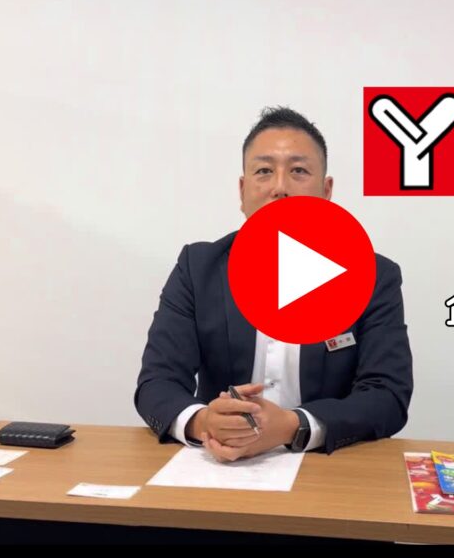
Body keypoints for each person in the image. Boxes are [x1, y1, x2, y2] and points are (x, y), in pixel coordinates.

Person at [135, 106, 413, 461]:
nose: (280, 188)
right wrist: (205, 422)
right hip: (219, 464)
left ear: (326, 191)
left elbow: (387, 396)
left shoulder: (374, 276)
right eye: (264, 171)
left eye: (298, 171)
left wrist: (292, 426)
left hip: (326, 468)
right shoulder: (198, 267)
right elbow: (157, 382)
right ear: (242, 190)